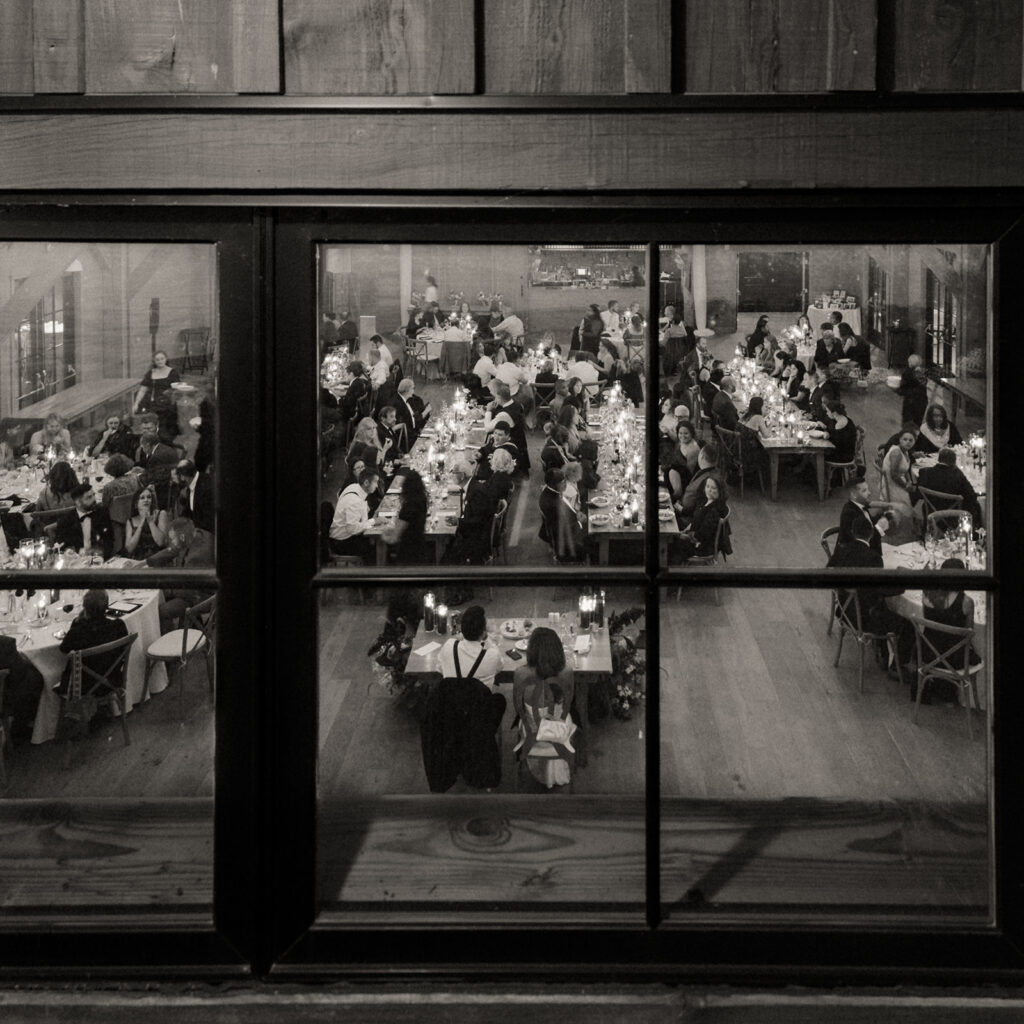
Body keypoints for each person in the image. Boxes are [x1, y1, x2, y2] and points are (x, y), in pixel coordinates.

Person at [828, 515, 913, 675]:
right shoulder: (873, 558)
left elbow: (829, 571)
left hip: (845, 611)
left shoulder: (841, 549)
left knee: (879, 606)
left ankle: (883, 652)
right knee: (909, 626)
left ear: (853, 532)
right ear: (871, 535)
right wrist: (903, 582)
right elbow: (882, 590)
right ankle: (897, 667)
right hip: (865, 618)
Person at [512, 626, 576, 790]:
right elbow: (569, 701)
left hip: (532, 732)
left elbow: (518, 708)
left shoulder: (520, 674)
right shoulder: (567, 672)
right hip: (558, 730)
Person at [57, 589, 129, 698]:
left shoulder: (77, 631)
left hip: (82, 686)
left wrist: (76, 622)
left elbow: (63, 649)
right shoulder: (118, 626)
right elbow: (123, 651)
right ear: (107, 606)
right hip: (111, 680)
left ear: (84, 606)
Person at [146, 518, 215, 631]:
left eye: (172, 539)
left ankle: (169, 643)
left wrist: (165, 589)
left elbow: (188, 592)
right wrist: (146, 562)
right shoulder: (195, 533)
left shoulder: (196, 558)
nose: (171, 542)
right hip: (199, 587)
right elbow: (173, 549)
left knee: (161, 612)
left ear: (182, 537)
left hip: (201, 597)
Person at [438, 605, 504, 690]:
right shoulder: (493, 654)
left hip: (452, 701)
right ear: (483, 632)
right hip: (480, 702)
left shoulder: (449, 646)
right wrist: (487, 639)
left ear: (462, 628)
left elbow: (440, 667)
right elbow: (500, 667)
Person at [447, 459, 498, 565]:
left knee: (448, 547)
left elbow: (477, 521)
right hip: (476, 531)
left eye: (453, 473)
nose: (451, 475)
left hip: (477, 540)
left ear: (461, 476)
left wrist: (457, 522)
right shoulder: (473, 485)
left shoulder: (477, 492)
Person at [917, 447, 983, 528]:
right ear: (954, 462)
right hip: (954, 514)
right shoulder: (957, 475)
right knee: (977, 505)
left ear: (939, 459)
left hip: (932, 509)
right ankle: (977, 532)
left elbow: (919, 495)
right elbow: (972, 496)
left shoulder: (924, 472)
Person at [674, 476, 731, 561]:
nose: (709, 490)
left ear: (720, 491)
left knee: (670, 547)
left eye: (713, 488)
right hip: (696, 538)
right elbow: (695, 520)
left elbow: (702, 536)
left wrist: (682, 536)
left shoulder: (715, 511)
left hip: (703, 547)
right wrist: (684, 531)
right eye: (707, 486)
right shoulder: (705, 501)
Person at [0, 634, 45, 743]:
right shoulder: (5, 644)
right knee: (37, 677)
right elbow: (19, 673)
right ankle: (21, 726)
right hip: (4, 696)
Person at [328, 468, 379, 563]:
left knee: (372, 541)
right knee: (373, 549)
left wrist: (372, 520)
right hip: (341, 542)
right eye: (375, 482)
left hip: (345, 535)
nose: (376, 486)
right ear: (366, 483)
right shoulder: (354, 501)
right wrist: (374, 521)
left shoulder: (355, 487)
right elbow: (353, 529)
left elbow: (362, 518)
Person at [53, 483, 115, 560]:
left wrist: (101, 552)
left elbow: (109, 540)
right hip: (77, 563)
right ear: (78, 502)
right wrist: (73, 552)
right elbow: (59, 547)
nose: (94, 499)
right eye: (89, 497)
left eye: (93, 495)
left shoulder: (102, 513)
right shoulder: (66, 521)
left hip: (100, 560)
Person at [381, 469, 428, 565]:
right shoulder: (422, 500)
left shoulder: (407, 508)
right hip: (421, 546)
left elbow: (394, 538)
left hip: (407, 552)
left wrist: (384, 534)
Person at [132, 349, 181, 443]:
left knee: (166, 431)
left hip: (168, 406)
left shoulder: (172, 372)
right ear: (154, 361)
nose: (160, 361)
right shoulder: (151, 373)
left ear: (166, 359)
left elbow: (177, 389)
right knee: (152, 427)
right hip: (153, 405)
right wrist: (136, 403)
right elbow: (143, 390)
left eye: (162, 359)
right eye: (157, 359)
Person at [133, 413, 179, 509]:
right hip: (158, 474)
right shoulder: (146, 441)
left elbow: (158, 474)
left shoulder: (165, 441)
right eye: (144, 429)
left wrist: (139, 475)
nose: (146, 432)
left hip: (163, 488)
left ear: (156, 426)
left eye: (149, 429)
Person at [837, 477, 895, 554]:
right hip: (856, 557)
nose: (869, 493)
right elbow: (862, 543)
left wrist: (883, 516)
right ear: (854, 494)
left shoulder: (859, 504)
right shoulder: (850, 514)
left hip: (867, 550)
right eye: (864, 491)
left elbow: (869, 524)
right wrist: (879, 528)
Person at [538, 468, 584, 562]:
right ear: (553, 484)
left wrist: (576, 512)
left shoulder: (549, 491)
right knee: (593, 542)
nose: (566, 484)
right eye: (563, 482)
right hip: (566, 543)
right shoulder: (553, 504)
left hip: (565, 524)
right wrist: (580, 522)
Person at [881, 426, 921, 529]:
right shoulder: (896, 453)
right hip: (891, 484)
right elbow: (894, 474)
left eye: (911, 440)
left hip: (899, 480)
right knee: (918, 492)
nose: (908, 442)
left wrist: (909, 481)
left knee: (915, 488)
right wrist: (905, 486)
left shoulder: (905, 451)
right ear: (900, 440)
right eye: (905, 439)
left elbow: (905, 469)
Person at [677, 443, 724, 524]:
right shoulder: (707, 471)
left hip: (690, 521)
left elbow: (702, 509)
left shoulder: (709, 480)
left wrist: (681, 509)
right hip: (685, 512)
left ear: (701, 456)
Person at [123, 485, 169, 560]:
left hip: (158, 559)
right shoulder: (130, 521)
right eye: (142, 498)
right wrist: (141, 523)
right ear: (136, 504)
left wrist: (150, 521)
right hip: (138, 561)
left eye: (149, 497)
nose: (146, 500)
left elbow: (161, 542)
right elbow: (129, 548)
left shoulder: (161, 514)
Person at [171, 458, 215, 533]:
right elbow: (188, 511)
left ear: (183, 476)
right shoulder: (191, 485)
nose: (173, 483)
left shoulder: (206, 488)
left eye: (174, 480)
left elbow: (209, 520)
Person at [394, 377, 431, 448]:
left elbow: (413, 418)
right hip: (406, 439)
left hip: (413, 433)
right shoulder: (398, 404)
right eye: (413, 388)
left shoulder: (407, 400)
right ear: (407, 390)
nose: (414, 391)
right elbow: (404, 427)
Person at [897, 354, 928, 427]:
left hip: (910, 402)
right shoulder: (922, 374)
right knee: (917, 423)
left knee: (907, 424)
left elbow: (903, 389)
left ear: (910, 363)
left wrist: (896, 390)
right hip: (922, 402)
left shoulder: (906, 373)